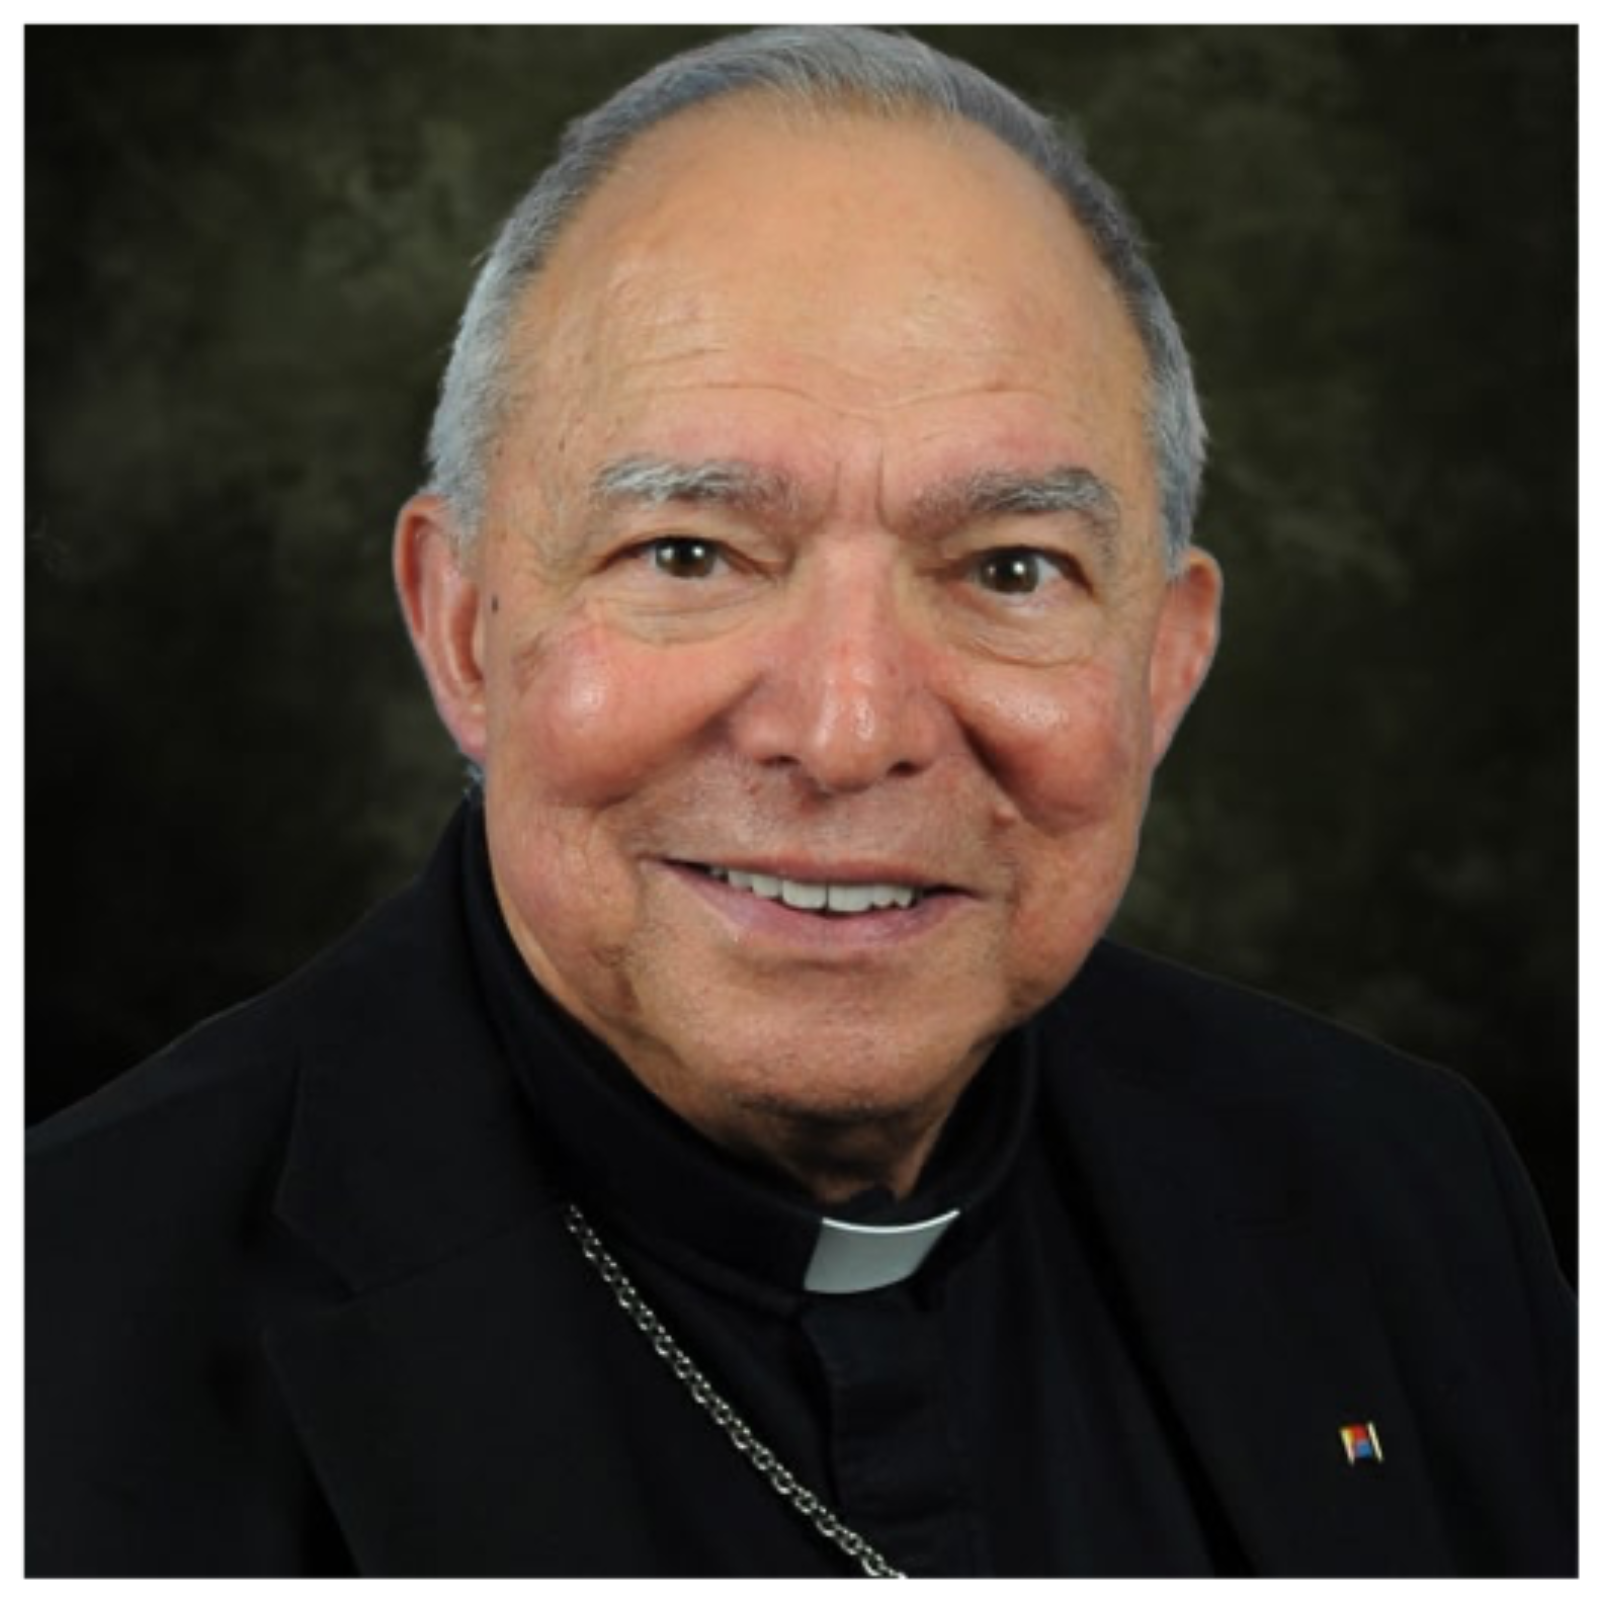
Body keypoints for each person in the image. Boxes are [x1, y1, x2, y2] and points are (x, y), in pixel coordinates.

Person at [20, 21, 1576, 1581]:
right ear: (462, 626)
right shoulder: (65, 1329)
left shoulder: (1407, 1193)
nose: (847, 731)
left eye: (1010, 569)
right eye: (689, 554)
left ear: (1162, 664)